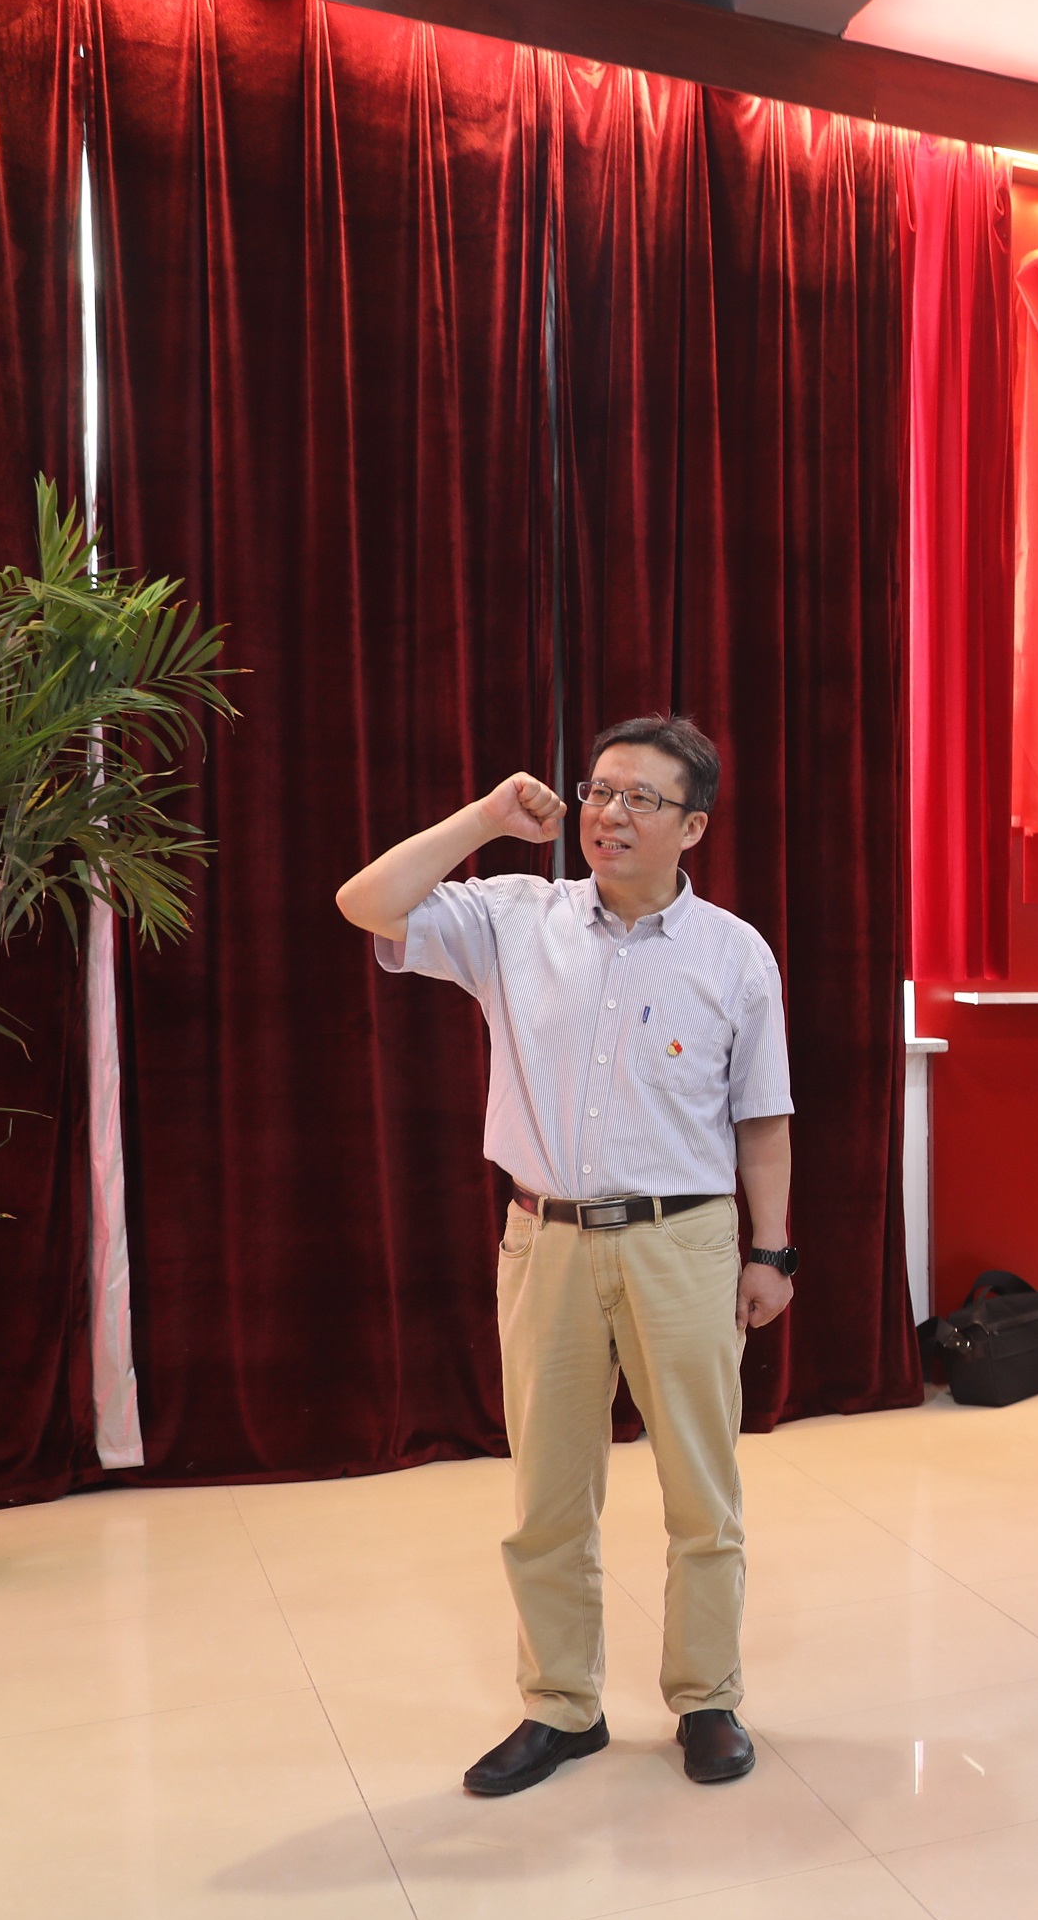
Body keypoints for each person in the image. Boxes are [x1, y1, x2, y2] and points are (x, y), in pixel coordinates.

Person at [336, 717, 793, 1796]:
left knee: (702, 1488)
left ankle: (708, 1696)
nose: (609, 813)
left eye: (641, 798)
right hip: (545, 1238)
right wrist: (486, 819)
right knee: (547, 1494)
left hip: (685, 1239)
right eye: (598, 791)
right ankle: (560, 1706)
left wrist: (772, 1251)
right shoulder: (515, 917)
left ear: (694, 827)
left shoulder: (735, 952)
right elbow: (366, 901)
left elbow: (762, 1118)